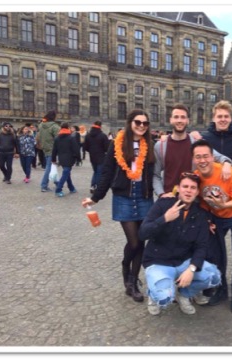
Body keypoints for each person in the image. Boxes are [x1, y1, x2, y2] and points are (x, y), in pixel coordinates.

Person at [81, 109, 155, 303]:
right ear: (130, 122)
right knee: (134, 242)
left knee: (142, 241)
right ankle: (126, 269)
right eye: (137, 122)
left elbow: (156, 172)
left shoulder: (150, 145)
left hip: (144, 196)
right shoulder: (117, 144)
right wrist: (95, 197)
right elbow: (106, 172)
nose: (141, 126)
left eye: (145, 123)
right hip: (124, 196)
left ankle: (132, 281)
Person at [139, 172, 221, 316]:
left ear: (197, 192)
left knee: (214, 276)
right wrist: (164, 218)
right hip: (159, 261)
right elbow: (142, 233)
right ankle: (154, 294)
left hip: (183, 262)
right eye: (185, 186)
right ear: (178, 188)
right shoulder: (163, 205)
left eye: (193, 188)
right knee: (164, 298)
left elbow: (201, 246)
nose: (188, 190)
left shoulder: (200, 214)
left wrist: (191, 269)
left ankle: (184, 294)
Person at [191, 139, 232, 312]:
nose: (202, 160)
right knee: (216, 256)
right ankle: (222, 289)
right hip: (215, 218)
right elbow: (201, 203)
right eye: (198, 157)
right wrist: (208, 220)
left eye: (206, 156)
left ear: (212, 157)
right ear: (194, 159)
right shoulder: (197, 177)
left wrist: (225, 205)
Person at [153, 103, 232, 199]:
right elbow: (156, 175)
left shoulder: (196, 142)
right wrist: (161, 194)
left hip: (193, 200)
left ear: (187, 120)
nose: (179, 120)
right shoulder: (160, 145)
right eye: (176, 117)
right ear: (171, 120)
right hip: (170, 198)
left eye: (183, 117)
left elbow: (220, 157)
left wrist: (227, 164)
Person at [193, 100, 232, 166]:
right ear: (213, 118)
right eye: (219, 116)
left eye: (226, 116)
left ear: (230, 119)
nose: (223, 119)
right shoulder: (204, 138)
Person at [51, 122, 80, 197]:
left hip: (61, 158)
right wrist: (78, 158)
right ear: (68, 128)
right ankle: (58, 189)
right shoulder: (71, 138)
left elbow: (54, 150)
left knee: (67, 173)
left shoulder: (57, 138)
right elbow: (76, 149)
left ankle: (71, 188)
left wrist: (53, 159)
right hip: (70, 158)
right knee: (66, 173)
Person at [84, 121, 109, 194]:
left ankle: (92, 186)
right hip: (101, 156)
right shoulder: (103, 135)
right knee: (99, 173)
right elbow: (107, 148)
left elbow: (85, 147)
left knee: (95, 171)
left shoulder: (88, 135)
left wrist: (91, 150)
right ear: (100, 126)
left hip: (92, 156)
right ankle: (97, 187)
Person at [37, 110, 60, 192]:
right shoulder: (55, 127)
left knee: (52, 166)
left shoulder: (41, 125)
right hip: (53, 149)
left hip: (45, 148)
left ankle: (57, 183)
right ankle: (44, 185)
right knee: (49, 167)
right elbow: (58, 139)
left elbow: (38, 136)